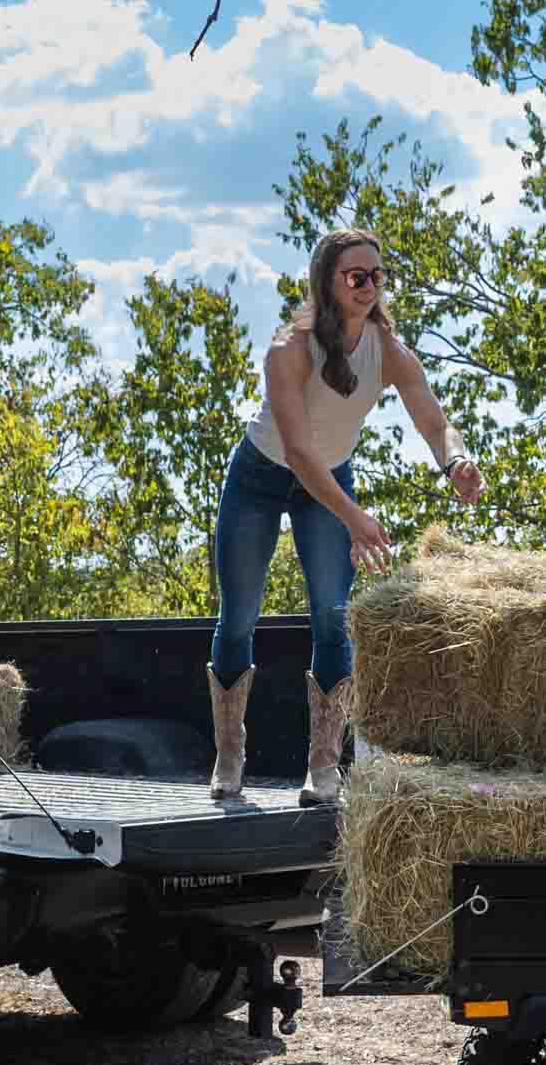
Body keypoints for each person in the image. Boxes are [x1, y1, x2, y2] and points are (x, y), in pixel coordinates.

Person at [207, 228, 484, 805]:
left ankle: (324, 766)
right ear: (327, 281)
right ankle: (229, 754)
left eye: (378, 276)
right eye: (357, 276)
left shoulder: (388, 349)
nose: (370, 286)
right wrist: (356, 518)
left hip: (328, 483)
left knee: (333, 620)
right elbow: (299, 453)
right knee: (238, 618)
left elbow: (434, 421)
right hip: (260, 478)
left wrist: (455, 460)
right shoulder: (290, 347)